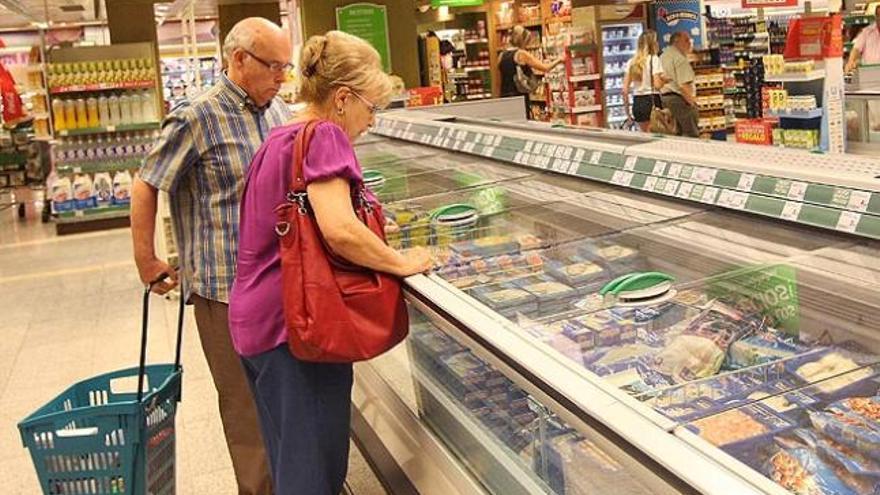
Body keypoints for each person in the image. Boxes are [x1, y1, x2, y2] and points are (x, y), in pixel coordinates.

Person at [228, 30, 432, 494]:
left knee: (290, 466)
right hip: (298, 329)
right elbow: (338, 229)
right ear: (342, 98)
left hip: (255, 323)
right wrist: (400, 261)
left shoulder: (282, 135)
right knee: (313, 477)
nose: (371, 121)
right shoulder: (325, 137)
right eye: (370, 107)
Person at [131, 17, 293, 495]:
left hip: (280, 283)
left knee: (282, 398)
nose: (282, 77)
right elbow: (146, 183)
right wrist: (146, 260)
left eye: (286, 67)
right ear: (238, 60)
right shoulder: (196, 115)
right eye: (273, 66)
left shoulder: (278, 110)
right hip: (225, 291)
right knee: (244, 405)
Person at [499, 25, 562, 116]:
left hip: (504, 96)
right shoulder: (521, 54)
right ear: (522, 40)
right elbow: (545, 67)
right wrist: (559, 59)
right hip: (519, 96)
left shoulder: (501, 55)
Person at [622, 30, 664, 132]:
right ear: (653, 44)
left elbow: (624, 91)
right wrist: (665, 81)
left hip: (638, 103)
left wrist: (628, 114)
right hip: (652, 101)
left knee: (645, 135)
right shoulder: (654, 59)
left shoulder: (631, 62)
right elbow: (657, 85)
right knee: (656, 137)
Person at [660, 31, 699, 137]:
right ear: (676, 42)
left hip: (665, 99)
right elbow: (683, 85)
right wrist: (692, 102)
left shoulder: (664, 55)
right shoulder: (680, 59)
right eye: (686, 40)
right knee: (691, 135)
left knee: (675, 134)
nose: (689, 43)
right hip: (680, 101)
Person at [846, 4, 880, 73]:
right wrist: (851, 61)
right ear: (876, 17)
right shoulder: (866, 32)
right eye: (879, 15)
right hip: (870, 73)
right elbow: (856, 49)